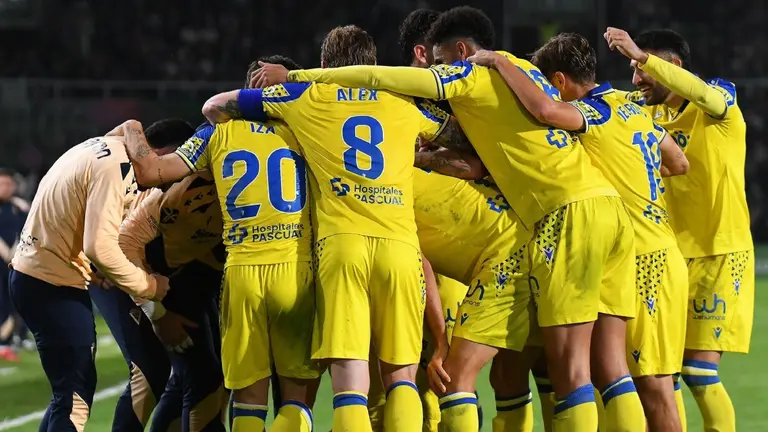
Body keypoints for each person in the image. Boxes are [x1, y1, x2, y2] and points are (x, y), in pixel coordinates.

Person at [255, 7, 639, 431]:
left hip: (554, 220)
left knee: (531, 374)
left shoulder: (466, 77)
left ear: (459, 52)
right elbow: (481, 160)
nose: (433, 71)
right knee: (594, 369)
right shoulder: (523, 70)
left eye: (437, 62)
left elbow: (379, 78)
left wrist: (297, 78)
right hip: (601, 209)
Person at [203, 25, 470, 432]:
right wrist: (428, 158)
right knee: (400, 377)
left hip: (341, 247)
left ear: (324, 65)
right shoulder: (401, 101)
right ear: (374, 65)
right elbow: (464, 144)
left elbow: (217, 106)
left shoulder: (307, 95)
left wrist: (294, 80)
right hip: (399, 247)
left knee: (350, 385)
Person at [469, 31, 692, 431]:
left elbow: (547, 112)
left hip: (645, 259)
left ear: (557, 80)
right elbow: (678, 163)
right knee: (615, 372)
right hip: (650, 247)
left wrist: (499, 61)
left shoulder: (595, 112)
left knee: (653, 387)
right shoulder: (628, 106)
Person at [115, 69, 320, 431]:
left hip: (230, 274)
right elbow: (126, 243)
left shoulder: (218, 135)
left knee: (228, 386)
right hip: (156, 275)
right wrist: (157, 311)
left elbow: (154, 167)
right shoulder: (307, 133)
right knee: (198, 379)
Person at [605, 27, 753, 432]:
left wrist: (640, 53)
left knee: (698, 372)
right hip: (668, 257)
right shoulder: (648, 113)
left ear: (673, 66)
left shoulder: (717, 103)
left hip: (718, 251)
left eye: (642, 69)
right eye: (634, 69)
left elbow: (704, 93)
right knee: (660, 372)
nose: (636, 79)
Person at [8, 124, 174, 431]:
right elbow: (98, 246)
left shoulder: (104, 147)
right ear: (159, 153)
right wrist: (150, 288)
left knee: (67, 394)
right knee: (75, 398)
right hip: (52, 282)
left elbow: (127, 127)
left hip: (37, 274)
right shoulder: (118, 167)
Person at [117, 170, 227, 432]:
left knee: (201, 375)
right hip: (124, 272)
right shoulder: (166, 191)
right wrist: (159, 314)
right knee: (160, 371)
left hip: (179, 275)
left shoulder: (215, 179)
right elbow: (121, 244)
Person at [0, 168, 28, 362]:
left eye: (8, 184)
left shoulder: (17, 207)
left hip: (13, 263)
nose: (5, 188)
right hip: (3, 259)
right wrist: (5, 252)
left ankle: (10, 340)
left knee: (15, 302)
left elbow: (26, 230)